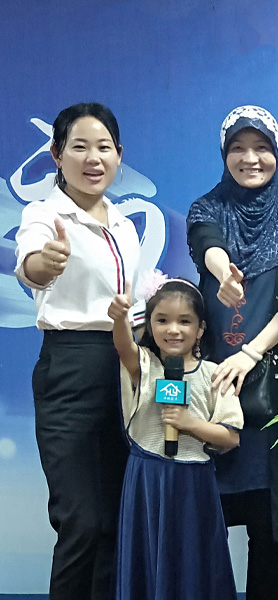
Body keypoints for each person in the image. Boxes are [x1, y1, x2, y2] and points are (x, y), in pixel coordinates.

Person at [186, 105, 278, 599]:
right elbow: (207, 243)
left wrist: (251, 354)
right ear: (224, 155)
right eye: (238, 148)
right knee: (206, 525)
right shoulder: (207, 208)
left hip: (273, 387)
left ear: (277, 153)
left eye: (261, 147)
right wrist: (224, 273)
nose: (250, 158)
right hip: (213, 388)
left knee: (267, 528)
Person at [14, 102, 141, 600]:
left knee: (113, 521)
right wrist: (43, 263)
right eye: (80, 147)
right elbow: (31, 264)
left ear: (119, 155)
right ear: (57, 154)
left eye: (104, 147)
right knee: (80, 522)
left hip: (125, 371)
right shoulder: (44, 214)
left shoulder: (125, 225)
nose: (93, 158)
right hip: (69, 370)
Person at [108, 277, 242, 600]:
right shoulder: (146, 366)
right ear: (150, 324)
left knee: (192, 563)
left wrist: (189, 423)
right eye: (162, 321)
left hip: (194, 483)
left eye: (185, 321)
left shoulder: (214, 374)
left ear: (200, 329)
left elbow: (230, 437)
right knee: (147, 558)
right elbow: (124, 347)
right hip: (147, 479)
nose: (173, 330)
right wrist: (120, 319)